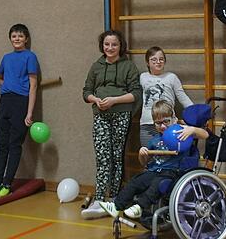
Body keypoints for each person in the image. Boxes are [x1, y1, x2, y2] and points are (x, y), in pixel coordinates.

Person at [98, 100, 208, 224]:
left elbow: (205, 135)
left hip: (173, 172)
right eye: (158, 123)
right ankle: (116, 206)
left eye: (166, 121)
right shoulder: (154, 140)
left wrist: (192, 130)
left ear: (174, 119)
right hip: (155, 170)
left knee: (157, 183)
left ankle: (139, 207)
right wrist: (142, 154)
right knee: (135, 181)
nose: (162, 126)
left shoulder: (181, 133)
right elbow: (144, 163)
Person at [80, 30, 142, 219]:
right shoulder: (96, 66)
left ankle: (113, 199)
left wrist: (115, 100)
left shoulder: (129, 66)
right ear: (102, 46)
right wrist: (95, 100)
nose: (110, 48)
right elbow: (86, 91)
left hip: (122, 114)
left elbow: (136, 94)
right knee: (103, 157)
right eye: (107, 44)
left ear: (120, 46)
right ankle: (99, 198)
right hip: (100, 115)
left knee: (116, 156)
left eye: (114, 44)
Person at [0, 24, 39, 198]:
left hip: (21, 102)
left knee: (14, 144)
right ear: (10, 38)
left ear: (26, 39)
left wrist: (29, 113)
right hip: (5, 101)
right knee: (1, 144)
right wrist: (4, 85)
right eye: (14, 36)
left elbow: (33, 85)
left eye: (20, 36)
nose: (17, 39)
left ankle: (6, 184)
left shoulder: (30, 57)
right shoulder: (6, 58)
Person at [139, 46, 193, 147]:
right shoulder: (143, 77)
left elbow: (182, 97)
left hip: (168, 124)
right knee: (149, 157)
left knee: (168, 157)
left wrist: (196, 113)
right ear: (147, 62)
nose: (158, 62)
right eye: (153, 59)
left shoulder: (171, 77)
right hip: (147, 124)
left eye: (161, 59)